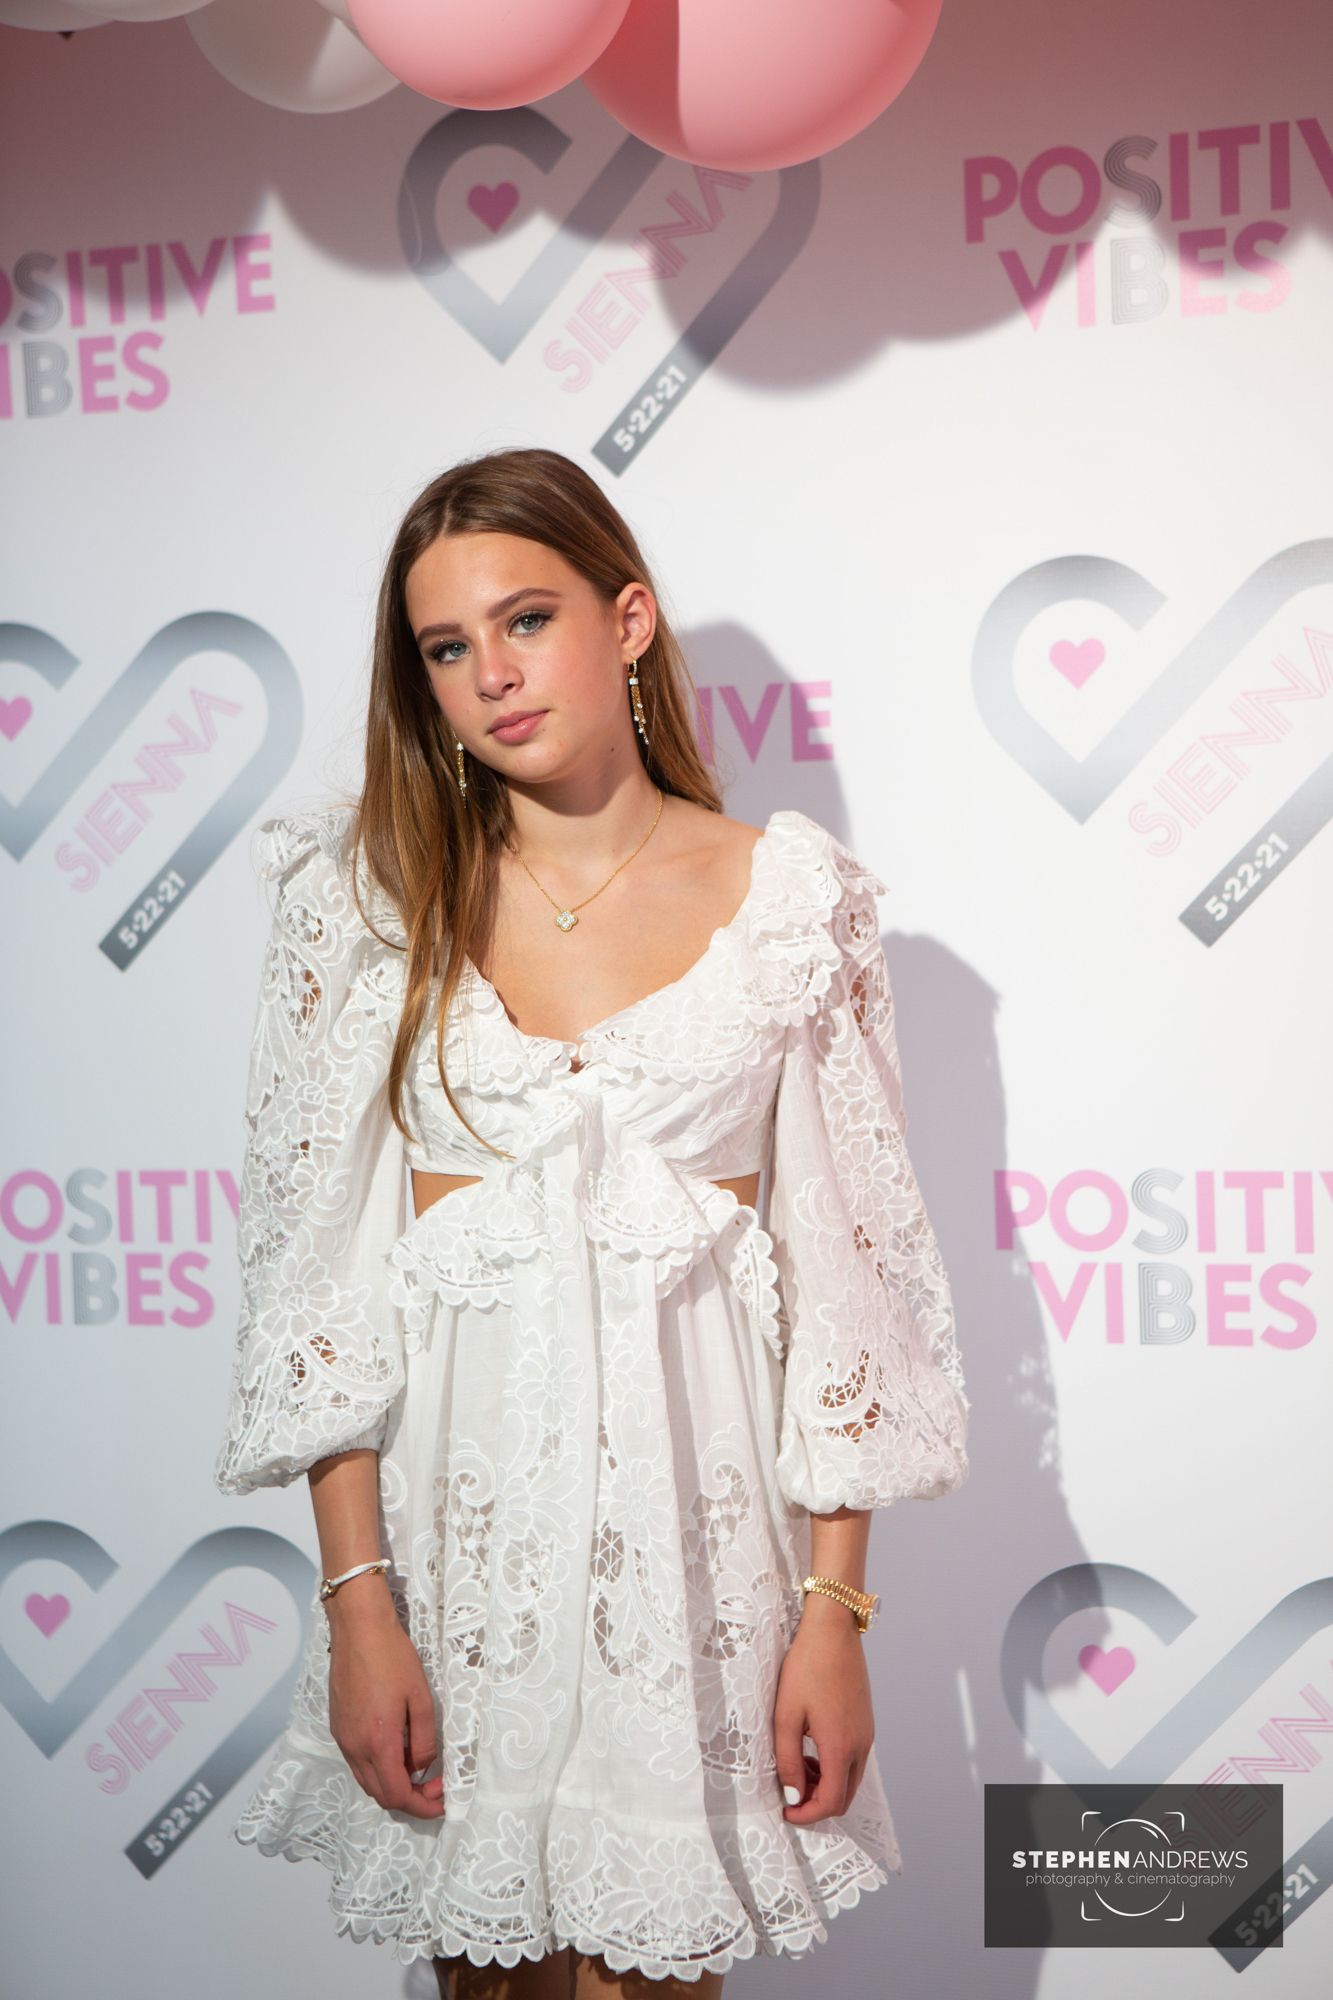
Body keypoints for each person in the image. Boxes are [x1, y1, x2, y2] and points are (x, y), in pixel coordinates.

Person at [212, 445, 970, 1998]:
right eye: (444, 648)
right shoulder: (365, 900)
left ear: (626, 621)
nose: (489, 675)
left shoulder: (788, 903)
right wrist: (359, 1605)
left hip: (694, 1582)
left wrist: (835, 1612)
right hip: (451, 1559)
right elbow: (319, 1284)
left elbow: (847, 1293)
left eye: (526, 619)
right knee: (484, 1979)